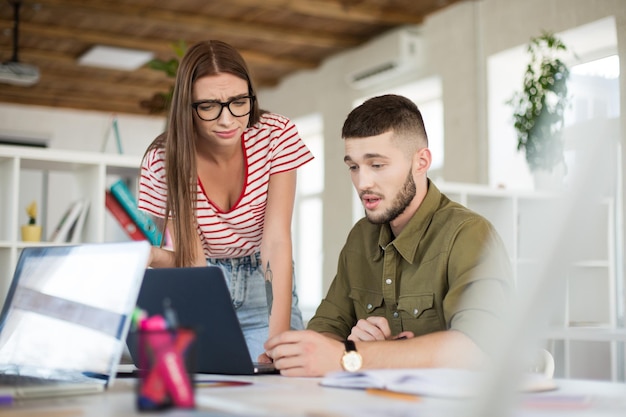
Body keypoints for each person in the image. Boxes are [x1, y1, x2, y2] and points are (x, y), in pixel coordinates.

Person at [264, 94, 512, 376]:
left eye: (377, 165)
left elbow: (476, 349)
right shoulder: (360, 238)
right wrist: (331, 349)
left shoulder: (469, 234)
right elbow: (324, 335)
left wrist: (356, 355)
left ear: (421, 162)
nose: (362, 182)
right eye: (353, 167)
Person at [138, 40, 314, 362]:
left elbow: (275, 242)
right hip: (204, 281)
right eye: (208, 106)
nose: (227, 120)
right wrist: (209, 334)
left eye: (238, 102)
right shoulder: (164, 159)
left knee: (281, 388)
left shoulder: (276, 135)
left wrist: (276, 342)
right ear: (187, 108)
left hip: (265, 286)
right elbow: (191, 258)